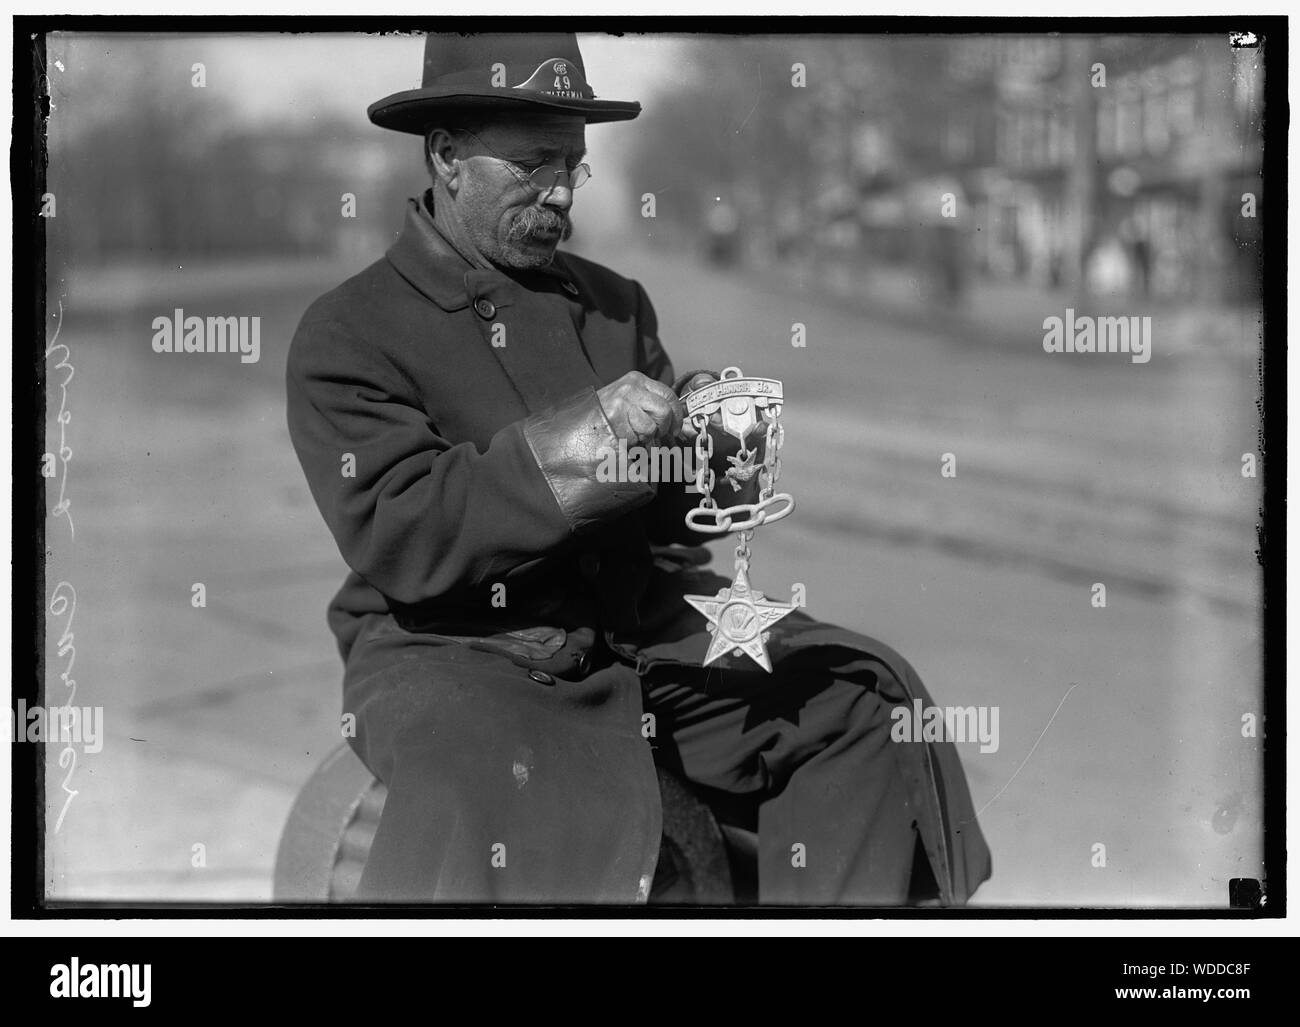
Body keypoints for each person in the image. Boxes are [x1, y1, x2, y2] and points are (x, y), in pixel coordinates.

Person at [286, 32, 991, 904]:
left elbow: (663, 524)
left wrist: (710, 450)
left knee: (860, 704)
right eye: (532, 164)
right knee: (479, 787)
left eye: (573, 166)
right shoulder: (349, 330)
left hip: (637, 628)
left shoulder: (614, 304)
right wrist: (584, 444)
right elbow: (407, 532)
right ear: (447, 157)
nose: (558, 193)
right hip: (456, 649)